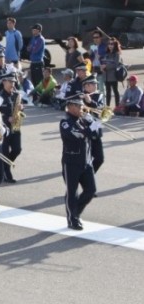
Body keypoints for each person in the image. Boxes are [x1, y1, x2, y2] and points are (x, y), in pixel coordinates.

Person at [60, 94, 101, 230]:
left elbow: (97, 135)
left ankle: (75, 212)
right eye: (78, 106)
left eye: (81, 105)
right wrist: (92, 127)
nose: (81, 108)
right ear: (70, 106)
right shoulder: (65, 122)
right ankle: (72, 219)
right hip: (71, 162)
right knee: (72, 192)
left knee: (91, 190)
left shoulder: (83, 119)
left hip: (86, 161)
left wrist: (94, 122)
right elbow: (79, 134)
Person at [0, 73, 23, 183]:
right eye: (10, 82)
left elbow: (18, 108)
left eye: (13, 82)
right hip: (4, 128)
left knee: (17, 149)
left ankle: (3, 167)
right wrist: (6, 118)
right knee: (5, 152)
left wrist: (21, 109)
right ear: (4, 82)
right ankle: (7, 174)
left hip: (15, 127)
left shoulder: (16, 94)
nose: (13, 84)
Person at [82, 75, 105, 175]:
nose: (96, 85)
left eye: (96, 84)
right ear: (86, 86)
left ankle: (89, 176)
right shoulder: (79, 97)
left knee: (100, 158)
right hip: (85, 131)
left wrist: (90, 102)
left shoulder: (98, 95)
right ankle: (86, 180)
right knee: (85, 159)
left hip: (95, 128)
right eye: (93, 84)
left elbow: (100, 108)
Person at [102, 38, 122, 106]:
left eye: (112, 44)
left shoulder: (116, 54)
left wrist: (106, 66)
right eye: (109, 44)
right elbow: (104, 62)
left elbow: (115, 64)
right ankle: (107, 106)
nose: (110, 45)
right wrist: (102, 66)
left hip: (113, 76)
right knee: (108, 92)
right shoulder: (106, 53)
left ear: (115, 45)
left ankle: (117, 106)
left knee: (115, 91)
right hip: (106, 76)